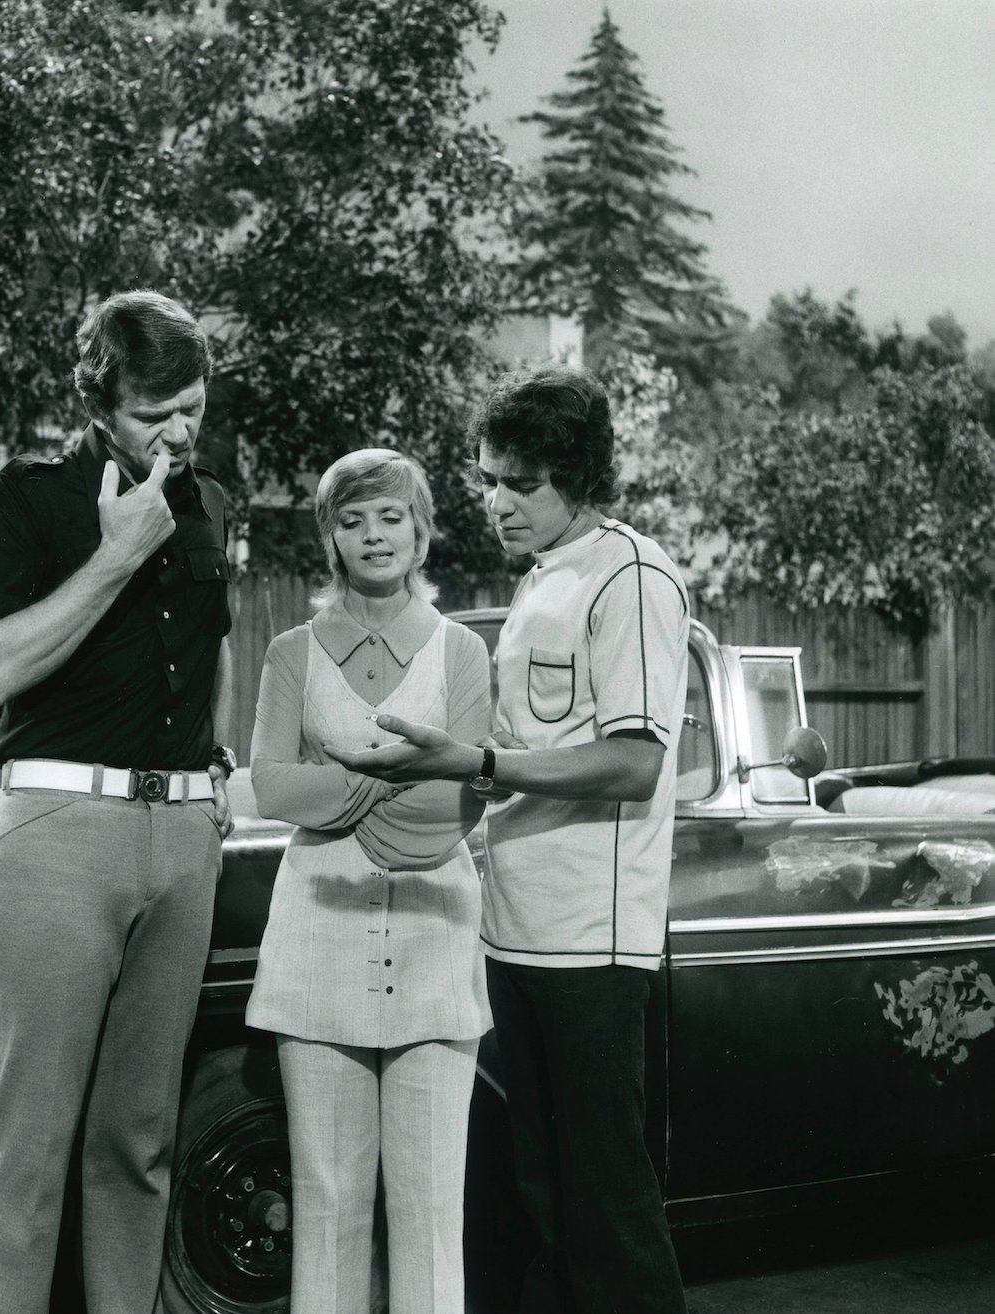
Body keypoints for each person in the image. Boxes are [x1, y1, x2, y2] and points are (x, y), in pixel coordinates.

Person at [326, 364, 690, 1314]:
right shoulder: (538, 586)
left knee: (608, 1209)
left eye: (521, 483)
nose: (496, 502)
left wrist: (474, 763)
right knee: (541, 1203)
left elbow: (632, 764)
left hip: (591, 943)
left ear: (578, 478)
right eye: (487, 479)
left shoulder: (634, 575)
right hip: (513, 935)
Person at [0, 290, 237, 1314]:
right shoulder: (27, 495)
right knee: (33, 1139)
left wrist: (215, 778)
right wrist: (116, 551)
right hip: (64, 832)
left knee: (142, 1135)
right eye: (155, 412)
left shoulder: (208, 500)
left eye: (192, 406)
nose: (179, 431)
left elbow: (212, 649)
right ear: (99, 404)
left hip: (183, 835)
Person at [245, 448, 493, 1314]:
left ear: (421, 531)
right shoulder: (291, 652)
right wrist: (391, 778)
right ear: (330, 540)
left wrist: (341, 787)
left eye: (391, 516)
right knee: (327, 1201)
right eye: (352, 520)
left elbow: (452, 813)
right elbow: (272, 786)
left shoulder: (462, 652)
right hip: (316, 937)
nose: (373, 535)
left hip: (435, 938)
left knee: (430, 1207)